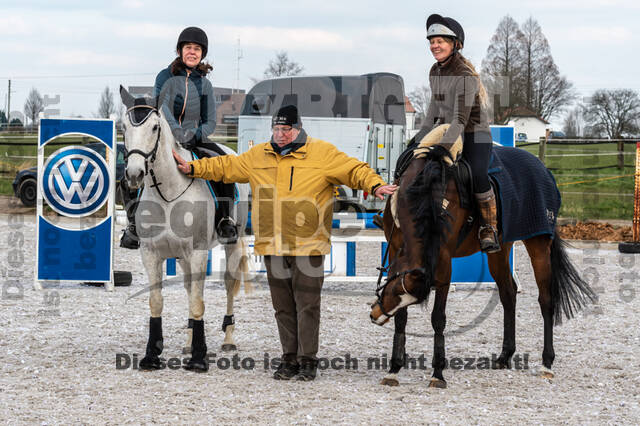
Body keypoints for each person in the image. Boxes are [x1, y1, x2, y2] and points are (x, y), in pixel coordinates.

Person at [173, 105, 397, 381]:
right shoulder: (259, 155)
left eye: (286, 129)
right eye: (276, 129)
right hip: (272, 245)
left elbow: (354, 169)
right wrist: (192, 167)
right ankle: (289, 359)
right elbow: (226, 167)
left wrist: (375, 185)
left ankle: (308, 360)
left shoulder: (322, 153)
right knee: (282, 307)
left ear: (298, 128)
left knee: (307, 305)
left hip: (309, 245)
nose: (280, 134)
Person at [120, 26, 238, 249]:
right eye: (188, 48)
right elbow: (161, 108)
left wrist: (194, 135)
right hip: (165, 137)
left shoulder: (205, 84)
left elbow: (210, 120)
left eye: (196, 49)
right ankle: (134, 225)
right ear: (180, 50)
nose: (192, 52)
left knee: (224, 164)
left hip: (196, 138)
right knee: (130, 171)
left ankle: (224, 219)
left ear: (202, 53)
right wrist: (177, 134)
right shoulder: (164, 76)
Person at [411, 14, 500, 253]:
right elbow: (433, 111)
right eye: (431, 41)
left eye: (440, 41)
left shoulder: (465, 76)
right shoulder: (435, 71)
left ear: (455, 44)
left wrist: (443, 147)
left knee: (478, 174)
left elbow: (460, 120)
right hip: (446, 130)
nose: (434, 46)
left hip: (473, 134)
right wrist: (418, 140)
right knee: (416, 162)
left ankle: (488, 228)